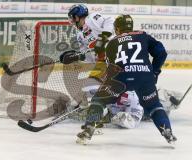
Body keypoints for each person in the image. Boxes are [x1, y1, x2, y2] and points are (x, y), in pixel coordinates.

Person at [75, 14, 177, 145]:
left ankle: (89, 129)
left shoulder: (111, 42)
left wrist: (107, 83)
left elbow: (110, 67)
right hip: (144, 76)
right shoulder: (143, 35)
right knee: (154, 105)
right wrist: (155, 72)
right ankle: (167, 132)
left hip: (120, 78)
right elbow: (161, 52)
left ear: (117, 29)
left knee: (99, 101)